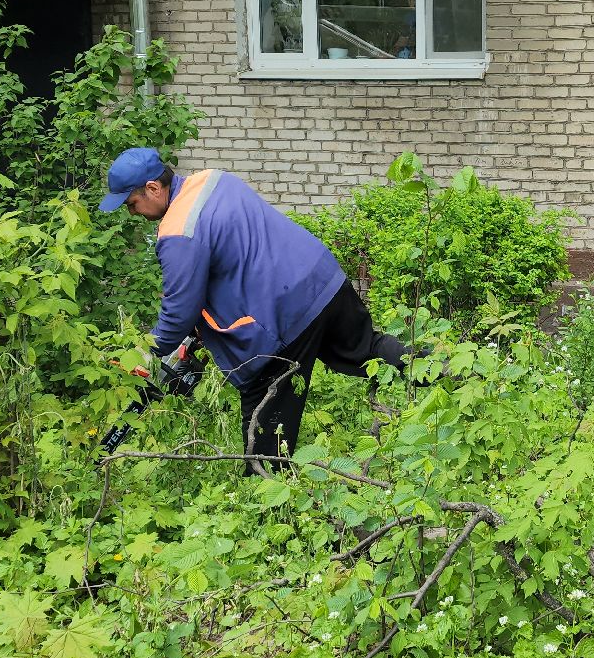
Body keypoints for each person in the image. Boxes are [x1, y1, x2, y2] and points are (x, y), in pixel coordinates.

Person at [98, 147, 409, 470]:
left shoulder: (178, 231)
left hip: (281, 319)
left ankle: (268, 503)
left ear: (152, 188)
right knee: (367, 348)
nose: (132, 213)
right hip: (322, 280)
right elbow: (237, 255)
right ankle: (446, 370)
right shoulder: (212, 180)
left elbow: (178, 311)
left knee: (264, 434)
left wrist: (147, 351)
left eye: (131, 204)